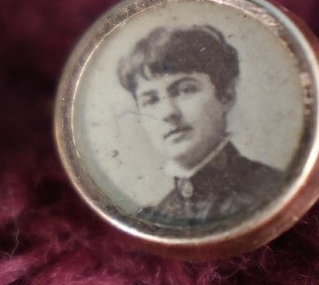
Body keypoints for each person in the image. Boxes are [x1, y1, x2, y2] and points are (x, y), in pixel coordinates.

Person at [117, 25, 284, 225]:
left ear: (225, 96)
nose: (168, 113)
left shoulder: (271, 191)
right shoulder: (157, 218)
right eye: (150, 101)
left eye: (185, 90)